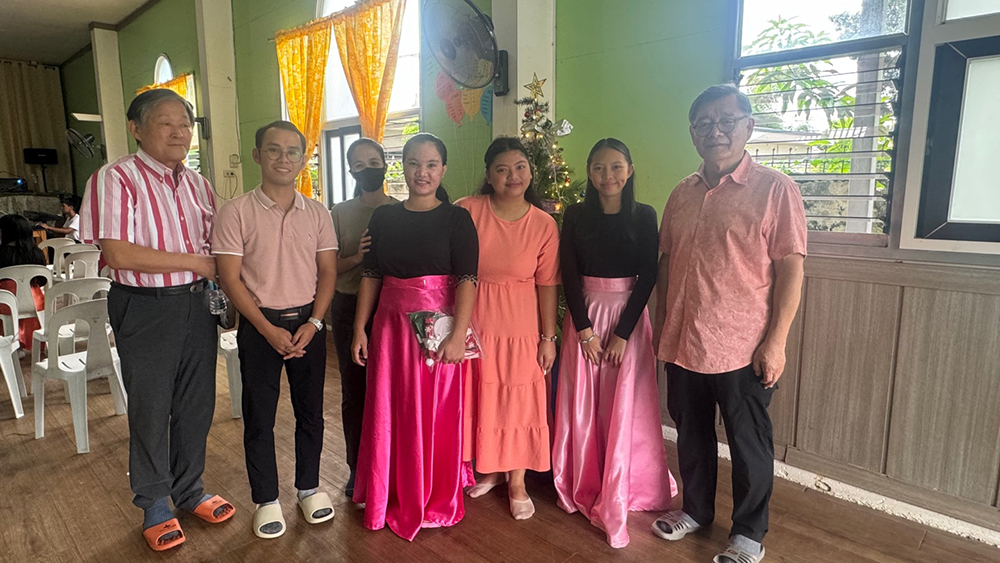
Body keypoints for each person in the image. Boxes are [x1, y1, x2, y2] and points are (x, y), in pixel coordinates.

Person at [651, 84, 806, 563]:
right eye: (704, 123)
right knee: (691, 434)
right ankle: (696, 510)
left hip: (743, 345)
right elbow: (666, 262)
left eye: (726, 121)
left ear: (748, 126)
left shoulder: (775, 189)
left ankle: (749, 534)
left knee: (748, 443)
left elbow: (791, 268)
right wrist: (661, 326)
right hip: (684, 340)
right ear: (692, 132)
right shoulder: (681, 192)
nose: (714, 131)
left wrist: (776, 342)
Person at [80, 88, 234, 552]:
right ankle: (154, 502)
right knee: (151, 406)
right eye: (166, 122)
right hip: (146, 306)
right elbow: (118, 253)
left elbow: (218, 245)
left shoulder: (199, 184)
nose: (179, 132)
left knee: (196, 402)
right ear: (136, 128)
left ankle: (190, 489)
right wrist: (199, 263)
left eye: (185, 124)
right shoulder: (116, 177)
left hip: (198, 304)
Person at [213, 120, 338, 539]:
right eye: (273, 150)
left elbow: (327, 271)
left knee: (311, 413)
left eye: (292, 152)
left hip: (308, 326)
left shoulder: (317, 213)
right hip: (258, 326)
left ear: (303, 159)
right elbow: (230, 277)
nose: (283, 159)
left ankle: (309, 489)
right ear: (257, 155)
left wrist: (315, 323)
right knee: (259, 416)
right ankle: (266, 499)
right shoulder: (235, 212)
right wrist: (266, 329)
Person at [350, 132, 479, 541]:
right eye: (413, 164)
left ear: (443, 169)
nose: (422, 173)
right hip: (390, 329)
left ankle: (435, 497)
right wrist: (359, 327)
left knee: (437, 413)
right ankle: (389, 493)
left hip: (438, 331)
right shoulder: (384, 218)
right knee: (392, 412)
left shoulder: (457, 219)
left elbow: (468, 279)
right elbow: (372, 274)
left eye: (431, 165)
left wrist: (457, 336)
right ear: (401, 167)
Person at [552, 138, 676, 548]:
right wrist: (584, 331)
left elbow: (648, 276)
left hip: (628, 320)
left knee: (624, 403)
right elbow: (568, 273)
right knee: (584, 402)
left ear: (630, 170)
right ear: (590, 173)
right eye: (599, 168)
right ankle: (583, 478)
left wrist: (622, 334)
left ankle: (626, 482)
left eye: (616, 167)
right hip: (584, 319)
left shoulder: (644, 215)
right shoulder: (575, 215)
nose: (608, 175)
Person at [456, 137, 559, 520]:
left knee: (517, 403)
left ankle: (517, 481)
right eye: (502, 169)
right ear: (488, 175)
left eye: (520, 167)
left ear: (530, 172)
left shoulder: (543, 224)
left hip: (520, 328)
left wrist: (548, 338)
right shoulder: (467, 210)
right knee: (482, 397)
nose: (512, 176)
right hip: (475, 322)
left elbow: (547, 285)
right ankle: (491, 469)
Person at [329, 138, 397, 499]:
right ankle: (358, 468)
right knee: (355, 392)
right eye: (359, 164)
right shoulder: (339, 213)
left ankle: (392, 463)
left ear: (385, 163)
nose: (368, 169)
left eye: (374, 161)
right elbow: (327, 268)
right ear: (350, 170)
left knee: (393, 392)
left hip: (393, 311)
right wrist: (357, 256)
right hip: (349, 309)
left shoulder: (401, 209)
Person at [0, 213, 46, 350]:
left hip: (5, 303)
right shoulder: (37, 253)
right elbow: (42, 280)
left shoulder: (1, 253)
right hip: (34, 301)